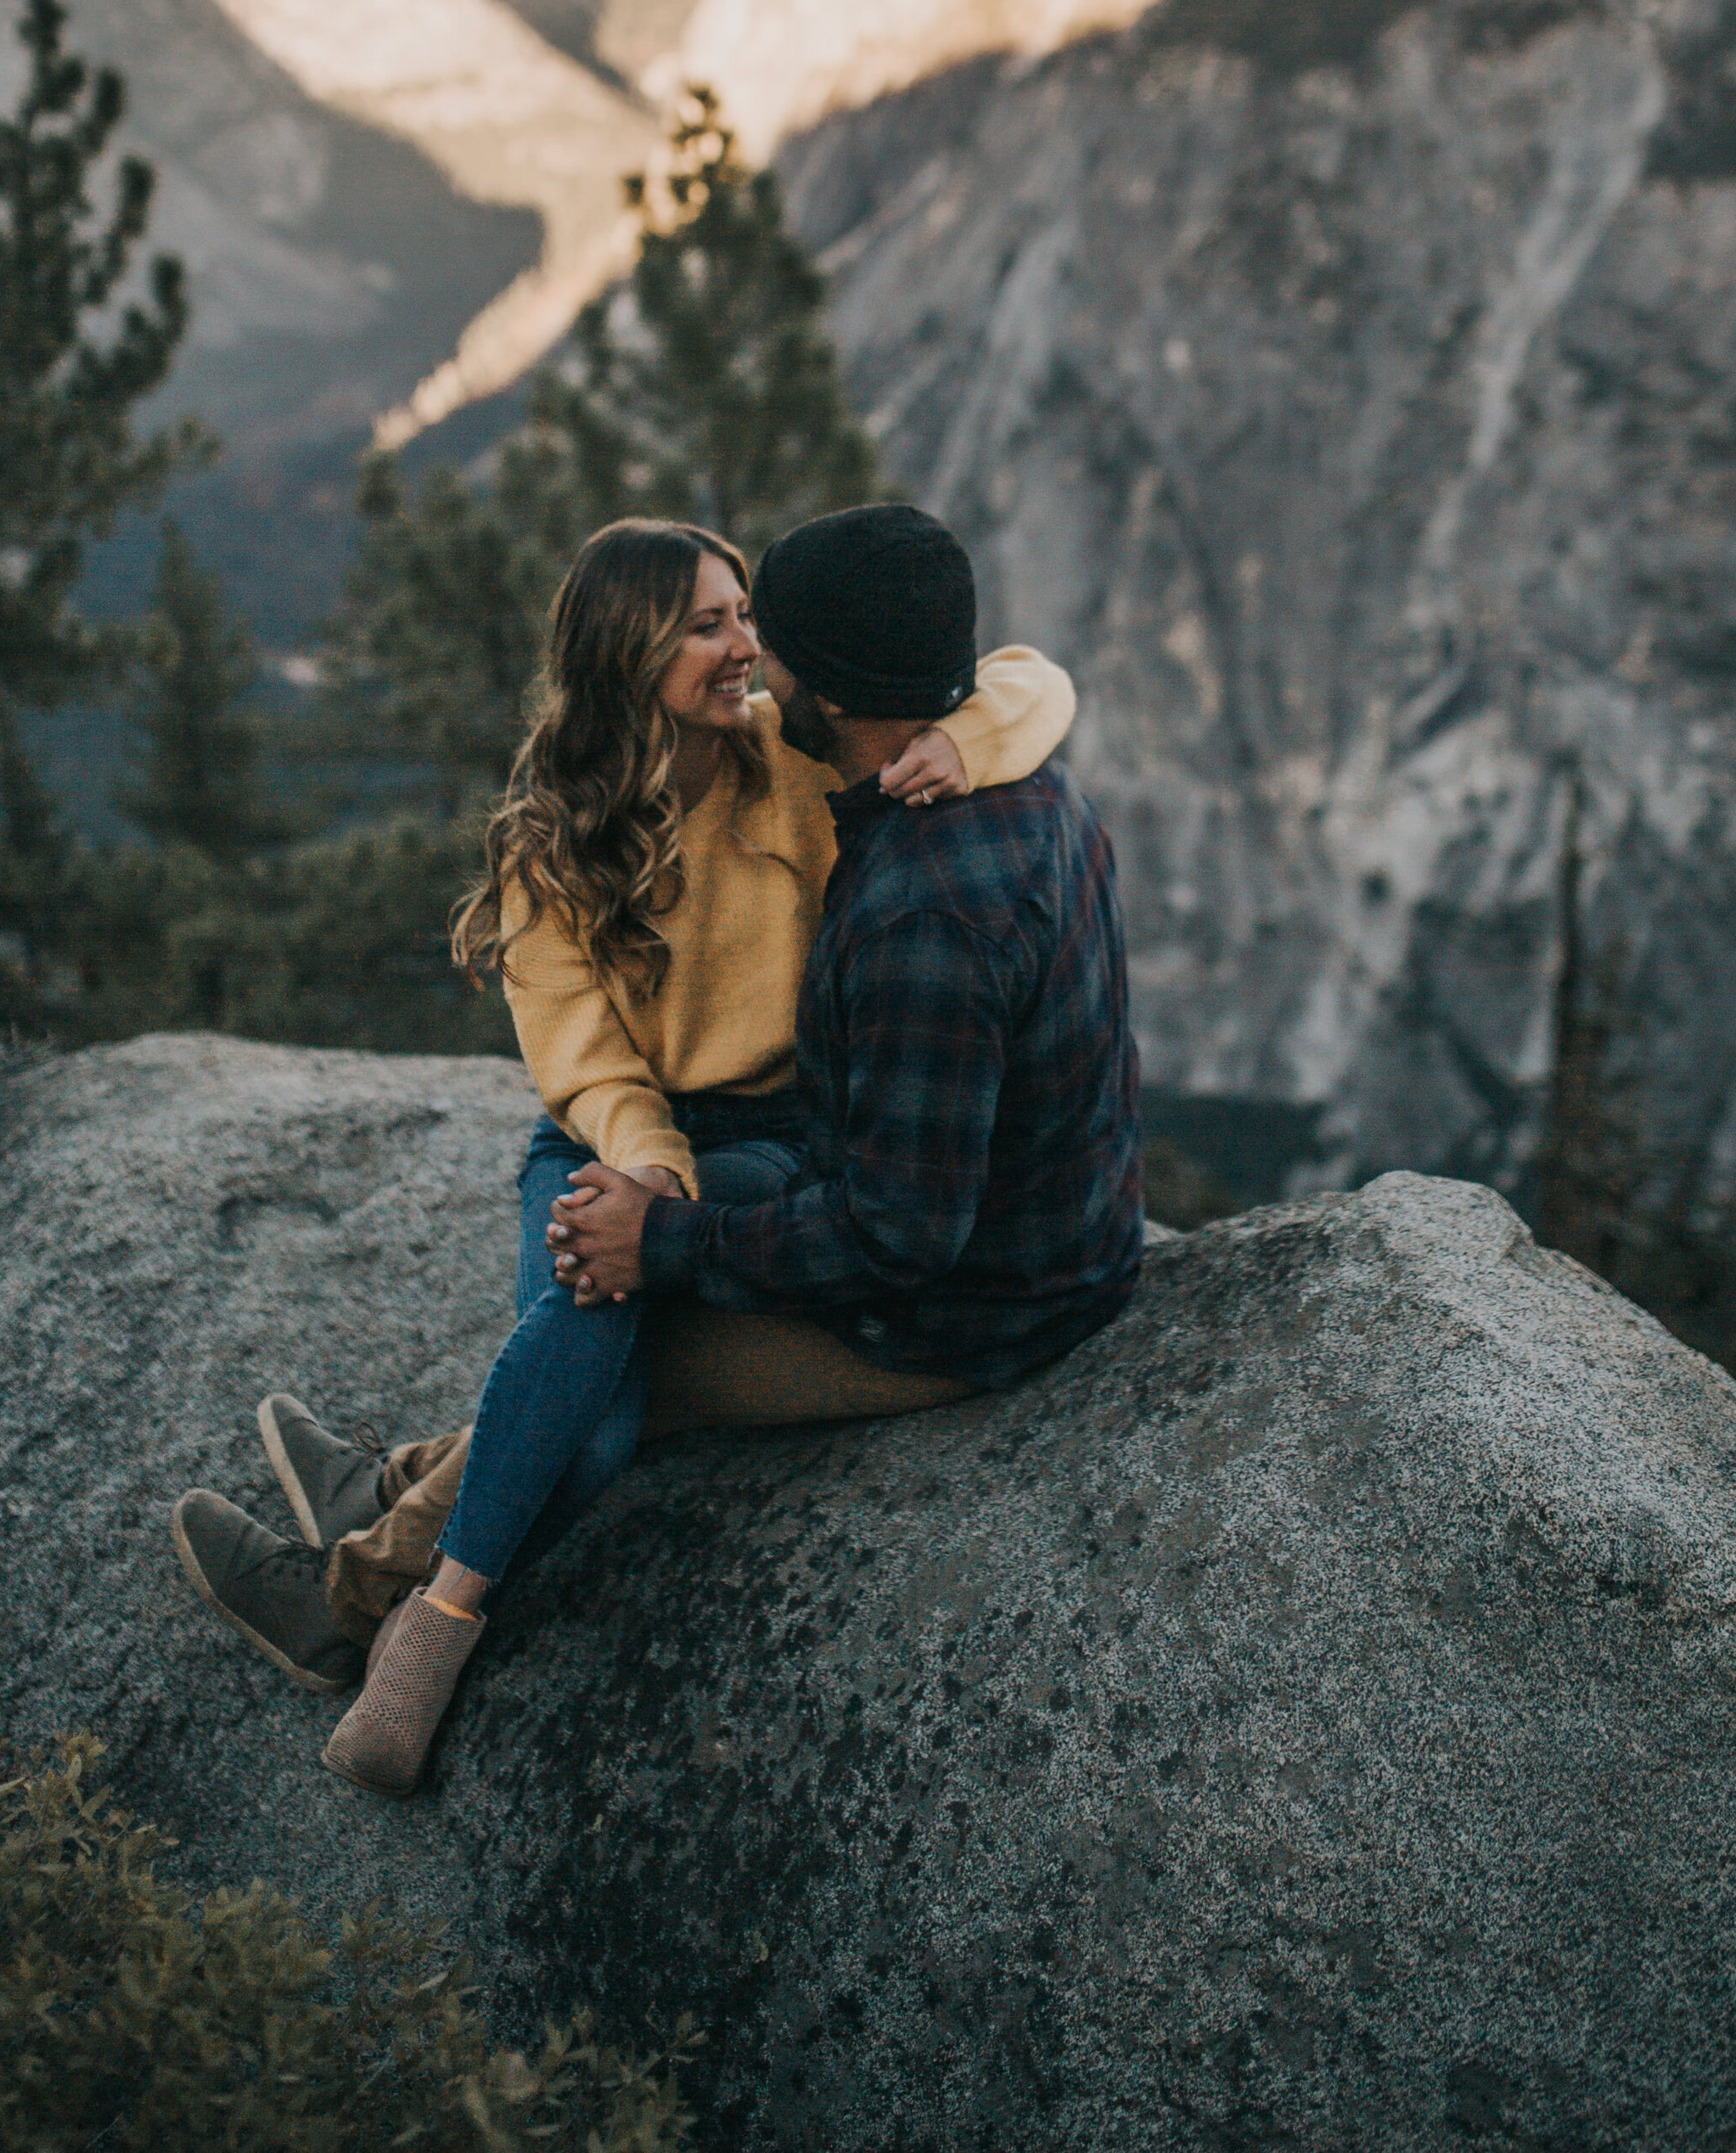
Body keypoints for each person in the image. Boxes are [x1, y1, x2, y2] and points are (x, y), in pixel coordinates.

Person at [169, 513, 1076, 1771]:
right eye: (710, 622)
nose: (748, 645)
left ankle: (364, 1570)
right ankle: (386, 1543)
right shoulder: (550, 844)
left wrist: (957, 737)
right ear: (628, 651)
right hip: (619, 1133)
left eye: (744, 612)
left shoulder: (796, 756)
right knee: (597, 1403)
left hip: (779, 1138)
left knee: (608, 1355)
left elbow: (1037, 678)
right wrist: (645, 1176)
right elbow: (588, 1063)